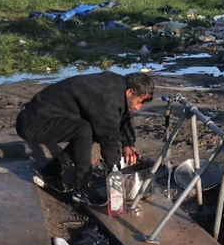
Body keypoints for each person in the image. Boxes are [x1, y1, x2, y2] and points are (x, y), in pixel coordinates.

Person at [15, 71, 154, 206]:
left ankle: (50, 173)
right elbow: (108, 137)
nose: (138, 107)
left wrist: (128, 144)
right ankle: (82, 189)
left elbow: (125, 115)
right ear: (129, 92)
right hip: (33, 122)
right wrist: (116, 171)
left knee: (88, 129)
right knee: (84, 130)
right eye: (139, 102)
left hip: (52, 116)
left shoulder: (117, 86)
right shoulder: (108, 98)